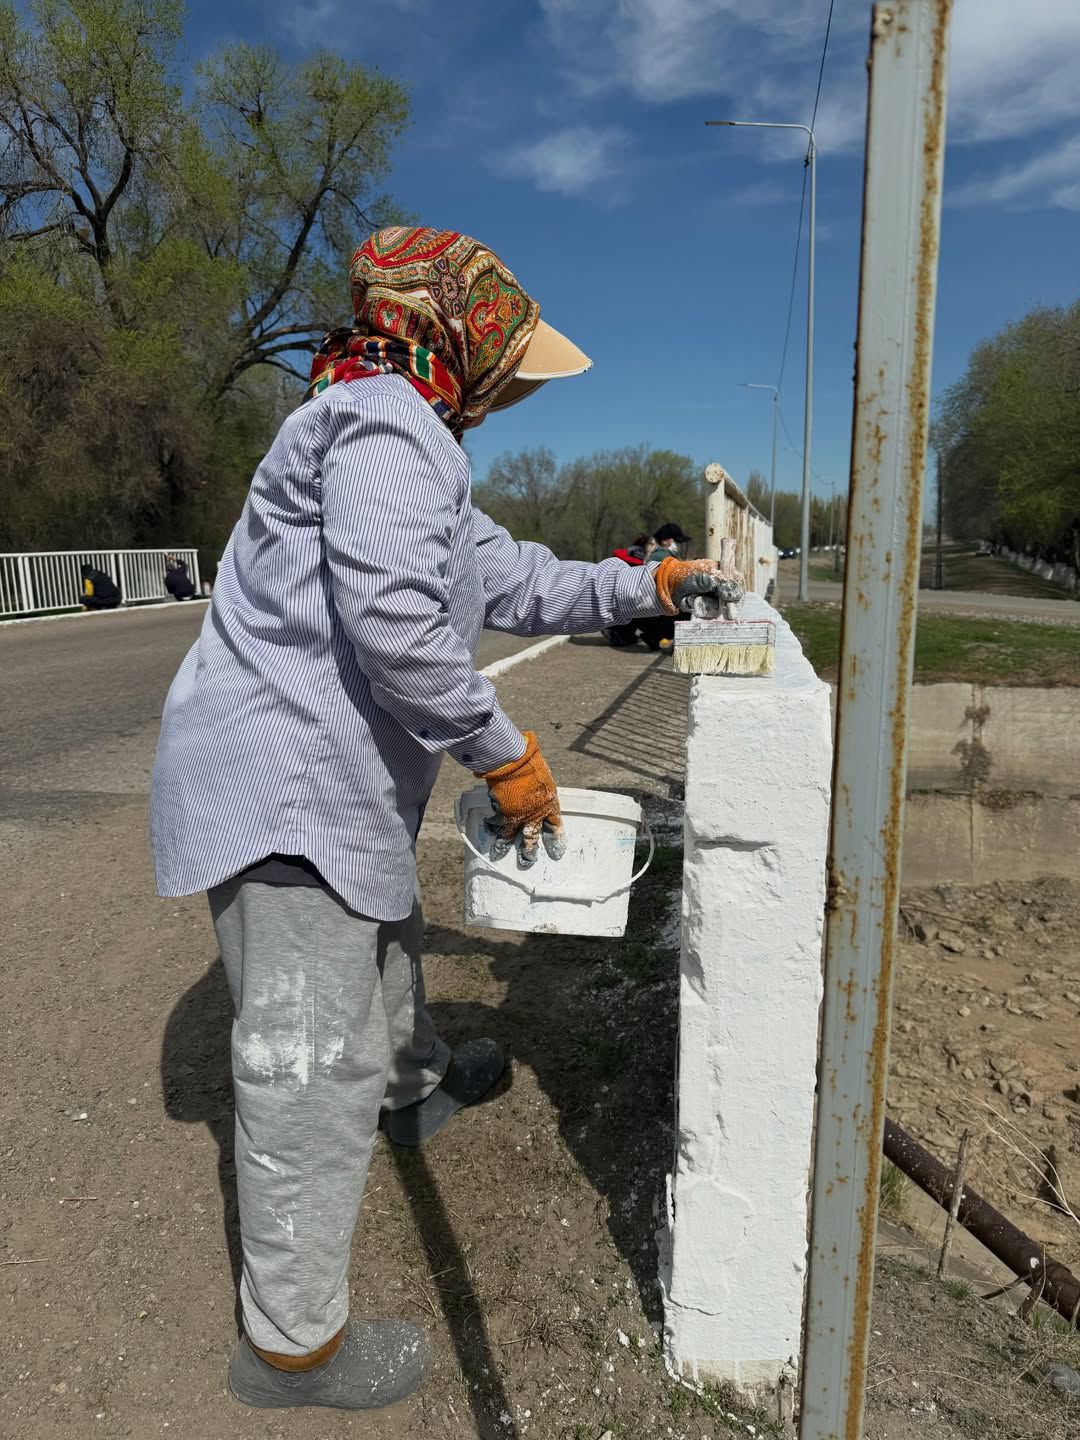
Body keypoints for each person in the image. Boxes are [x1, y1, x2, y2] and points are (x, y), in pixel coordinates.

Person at [150, 226, 734, 1415]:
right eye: (506, 361)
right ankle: (291, 1348)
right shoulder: (379, 426)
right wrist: (509, 754)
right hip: (285, 784)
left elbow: (513, 581)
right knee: (308, 1066)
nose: (512, 388)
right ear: (451, 336)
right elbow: (400, 630)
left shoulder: (410, 438)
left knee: (386, 936)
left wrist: (645, 584)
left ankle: (411, 1087)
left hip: (326, 784)